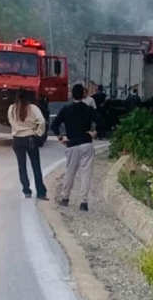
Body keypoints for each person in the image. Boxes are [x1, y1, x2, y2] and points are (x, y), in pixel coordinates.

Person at [51, 84, 105, 212]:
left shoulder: (66, 109)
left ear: (71, 95)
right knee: (86, 174)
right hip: (86, 143)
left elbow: (54, 125)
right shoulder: (88, 109)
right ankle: (83, 202)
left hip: (72, 144)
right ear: (84, 95)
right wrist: (95, 132)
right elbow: (102, 121)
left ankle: (65, 198)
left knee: (70, 172)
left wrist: (60, 138)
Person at [8, 89, 48, 200]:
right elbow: (42, 121)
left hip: (17, 139)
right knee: (35, 165)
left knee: (22, 166)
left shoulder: (11, 108)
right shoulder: (33, 108)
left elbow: (10, 121)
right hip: (30, 138)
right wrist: (38, 133)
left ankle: (26, 190)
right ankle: (40, 192)